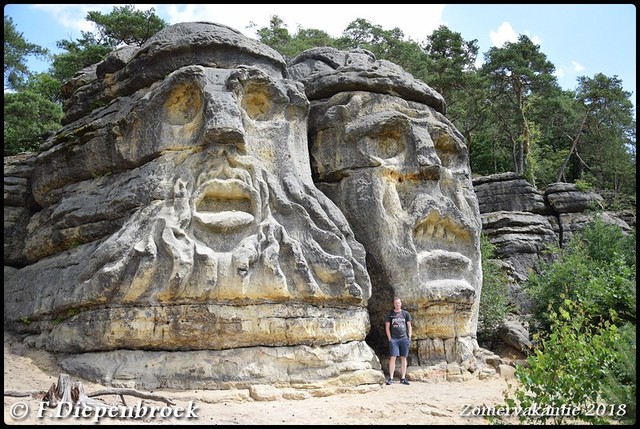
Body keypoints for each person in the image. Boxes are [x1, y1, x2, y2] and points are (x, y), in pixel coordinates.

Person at [385, 297, 412, 385]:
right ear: (394, 304)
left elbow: (409, 326)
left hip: (404, 338)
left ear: (401, 304)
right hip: (394, 339)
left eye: (399, 303)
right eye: (396, 303)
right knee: (393, 357)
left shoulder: (405, 314)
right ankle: (391, 378)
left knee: (403, 357)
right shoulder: (390, 314)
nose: (397, 304)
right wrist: (390, 339)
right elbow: (387, 327)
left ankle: (403, 378)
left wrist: (409, 337)